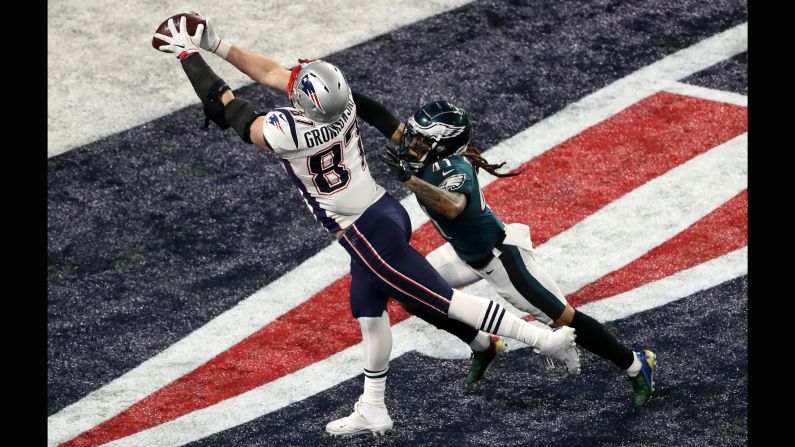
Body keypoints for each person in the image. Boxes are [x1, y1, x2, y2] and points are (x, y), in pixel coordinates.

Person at [154, 14, 581, 437]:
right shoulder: (344, 104)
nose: (293, 77)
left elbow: (229, 109)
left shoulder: (288, 132)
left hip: (362, 231)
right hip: (381, 210)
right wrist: (217, 44)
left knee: (442, 300)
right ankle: (373, 408)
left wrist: (190, 56)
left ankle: (544, 340)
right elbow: (269, 72)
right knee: (368, 312)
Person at [352, 95, 657, 407]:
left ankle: (635, 363)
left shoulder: (455, 168)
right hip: (463, 253)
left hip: (500, 259)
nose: (409, 143)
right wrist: (343, 92)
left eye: (420, 139)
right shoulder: (429, 150)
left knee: (564, 320)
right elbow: (382, 118)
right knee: (409, 293)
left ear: (442, 145)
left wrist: (410, 179)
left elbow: (453, 206)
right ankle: (482, 344)